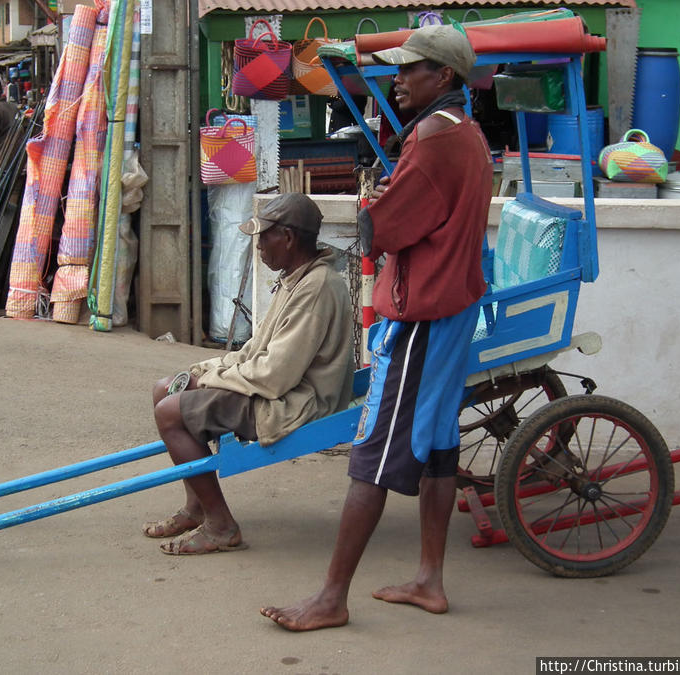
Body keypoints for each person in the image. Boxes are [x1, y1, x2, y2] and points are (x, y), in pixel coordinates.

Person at [261, 25, 492, 631]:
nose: (398, 79)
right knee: (439, 444)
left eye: (410, 70)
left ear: (442, 77)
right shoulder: (465, 133)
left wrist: (373, 206)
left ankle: (331, 597)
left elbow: (383, 229)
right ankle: (429, 580)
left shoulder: (437, 140)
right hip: (451, 307)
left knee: (373, 453)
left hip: (422, 314)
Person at [145, 192, 354, 555]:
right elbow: (255, 350)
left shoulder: (317, 287)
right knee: (164, 390)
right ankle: (197, 508)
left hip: (297, 402)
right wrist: (203, 370)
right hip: (283, 389)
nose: (258, 246)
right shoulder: (296, 277)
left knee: (170, 411)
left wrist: (207, 380)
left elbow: (274, 376)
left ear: (287, 238)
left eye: (263, 236)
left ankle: (221, 526)